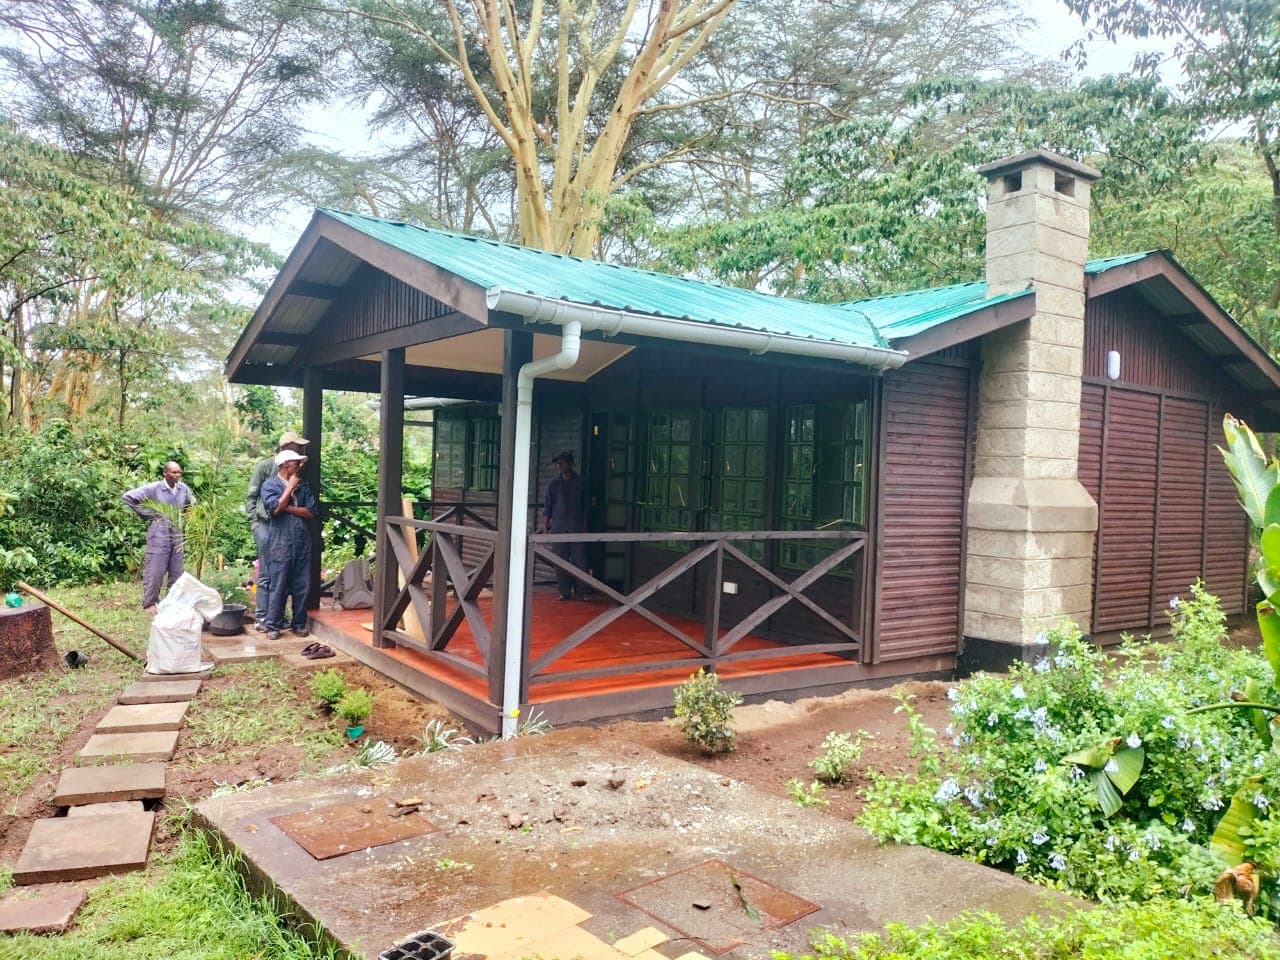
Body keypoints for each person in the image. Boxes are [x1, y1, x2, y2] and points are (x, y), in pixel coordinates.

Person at [245, 431, 310, 632]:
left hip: (287, 527)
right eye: (298, 446)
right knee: (266, 573)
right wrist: (255, 524)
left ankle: (278, 617)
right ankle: (262, 617)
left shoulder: (298, 467)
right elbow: (251, 496)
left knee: (287, 573)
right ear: (286, 447)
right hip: (266, 524)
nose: (301, 449)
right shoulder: (265, 466)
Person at [122, 461, 195, 613]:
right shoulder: (154, 488)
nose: (177, 475)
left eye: (179, 472)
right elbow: (128, 497)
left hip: (177, 534)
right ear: (165, 473)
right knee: (155, 570)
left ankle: (173, 602)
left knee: (177, 571)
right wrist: (149, 514)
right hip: (158, 534)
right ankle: (150, 603)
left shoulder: (183, 489)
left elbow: (191, 504)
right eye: (174, 472)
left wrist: (186, 518)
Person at [259, 449, 317, 640]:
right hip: (280, 541)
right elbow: (275, 509)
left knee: (302, 584)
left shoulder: (304, 486)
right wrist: (289, 488)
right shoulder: (269, 485)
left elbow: (310, 511)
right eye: (296, 462)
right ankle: (273, 625)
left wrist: (287, 507)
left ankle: (298, 624)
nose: (299, 465)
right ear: (285, 465)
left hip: (302, 541)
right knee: (279, 583)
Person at [543, 451, 589, 600]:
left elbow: (585, 508)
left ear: (570, 464)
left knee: (580, 561)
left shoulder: (580, 483)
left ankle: (583, 590)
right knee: (560, 561)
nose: (560, 466)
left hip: (576, 527)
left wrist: (584, 527)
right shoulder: (554, 484)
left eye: (562, 463)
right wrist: (546, 528)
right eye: (558, 464)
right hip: (559, 527)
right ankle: (564, 591)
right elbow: (548, 508)